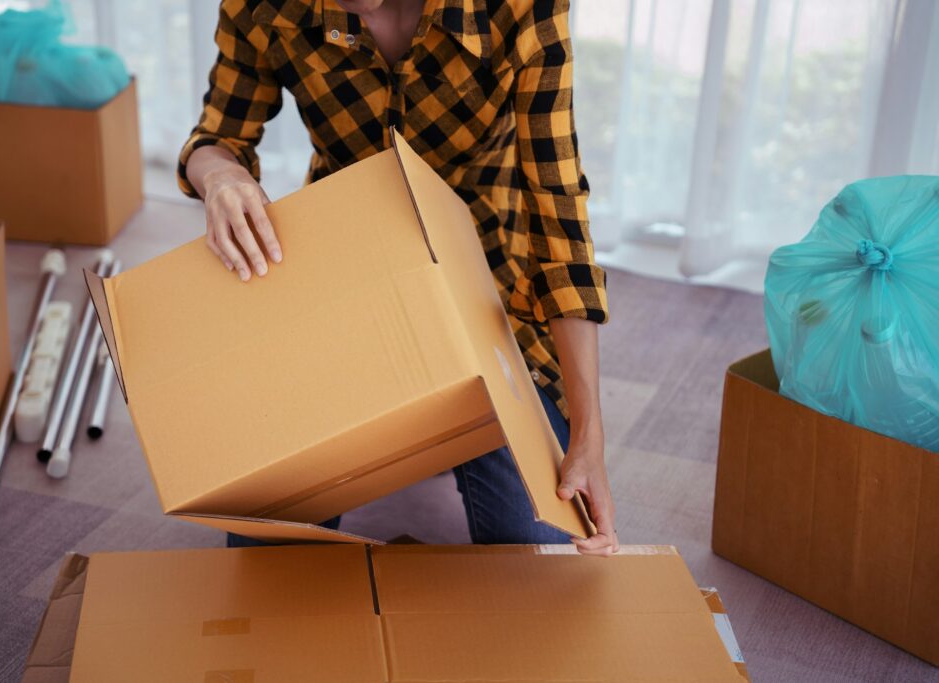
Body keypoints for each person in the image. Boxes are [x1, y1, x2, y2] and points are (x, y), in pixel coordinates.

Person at [179, 0, 619, 556]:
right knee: (260, 542)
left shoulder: (521, 6)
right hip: (349, 276)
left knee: (542, 548)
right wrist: (220, 176)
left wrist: (589, 435)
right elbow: (216, 135)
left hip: (490, 288)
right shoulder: (260, 6)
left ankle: (435, 432)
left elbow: (559, 214)